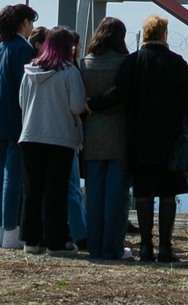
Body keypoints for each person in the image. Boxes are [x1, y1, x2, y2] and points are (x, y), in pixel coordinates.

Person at [86, 14, 188, 263]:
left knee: (144, 193)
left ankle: (146, 246)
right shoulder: (177, 62)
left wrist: (93, 104)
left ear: (145, 34)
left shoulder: (133, 61)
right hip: (171, 140)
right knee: (168, 194)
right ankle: (165, 247)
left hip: (139, 137)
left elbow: (119, 93)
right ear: (164, 34)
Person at [17, 27, 87, 257]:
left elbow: (21, 101)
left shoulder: (29, 70)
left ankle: (30, 240)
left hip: (30, 135)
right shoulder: (69, 71)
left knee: (32, 191)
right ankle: (55, 242)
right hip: (60, 137)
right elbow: (77, 106)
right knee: (55, 192)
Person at [0, 3, 37, 248]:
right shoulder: (24, 49)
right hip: (16, 118)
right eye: (31, 22)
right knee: (13, 177)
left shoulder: (1, 47)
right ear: (24, 23)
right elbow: (25, 88)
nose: (32, 27)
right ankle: (11, 232)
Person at [79, 18, 131, 261]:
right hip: (119, 133)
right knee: (116, 197)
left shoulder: (85, 63)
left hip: (92, 135)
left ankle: (95, 246)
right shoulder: (125, 63)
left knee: (94, 197)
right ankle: (113, 247)